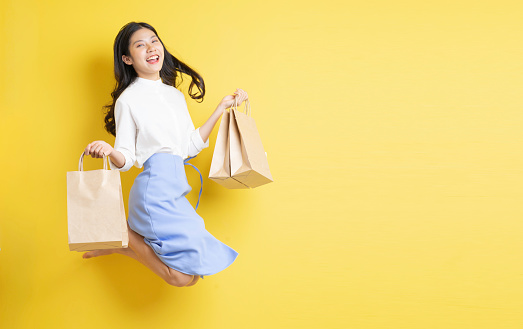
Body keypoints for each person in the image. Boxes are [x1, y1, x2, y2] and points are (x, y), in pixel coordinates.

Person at [82, 21, 247, 287]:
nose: (150, 48)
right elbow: (126, 158)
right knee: (181, 278)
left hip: (177, 189)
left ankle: (124, 244)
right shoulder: (128, 99)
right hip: (154, 191)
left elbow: (188, 148)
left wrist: (220, 109)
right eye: (140, 45)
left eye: (154, 40)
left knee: (191, 277)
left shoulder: (174, 96)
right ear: (127, 59)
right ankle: (123, 232)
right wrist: (111, 151)